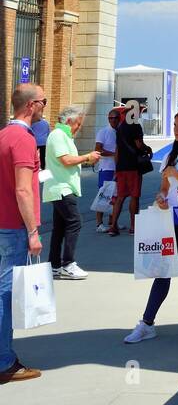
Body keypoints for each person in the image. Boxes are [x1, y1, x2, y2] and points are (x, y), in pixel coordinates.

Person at [123, 109, 178, 345]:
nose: (175, 129)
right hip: (170, 218)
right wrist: (161, 197)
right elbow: (164, 186)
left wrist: (176, 174)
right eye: (174, 124)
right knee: (162, 271)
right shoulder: (169, 156)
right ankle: (147, 323)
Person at [0, 83, 46, 384]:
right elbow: (21, 189)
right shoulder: (23, 139)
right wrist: (33, 231)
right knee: (6, 293)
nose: (45, 105)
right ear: (30, 106)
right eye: (43, 101)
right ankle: (5, 362)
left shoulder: (4, 135)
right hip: (14, 227)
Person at [45, 106, 99, 280]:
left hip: (61, 187)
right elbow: (66, 160)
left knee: (60, 227)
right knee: (75, 222)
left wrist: (85, 159)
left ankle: (54, 265)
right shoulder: (58, 136)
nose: (78, 128)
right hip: (62, 188)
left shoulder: (61, 135)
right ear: (69, 121)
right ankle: (68, 263)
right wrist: (87, 157)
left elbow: (66, 160)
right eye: (78, 124)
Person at [108, 111, 146, 237]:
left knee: (120, 197)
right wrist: (147, 149)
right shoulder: (136, 126)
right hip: (133, 166)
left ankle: (113, 226)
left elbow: (117, 149)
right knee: (134, 196)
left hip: (121, 167)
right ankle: (133, 227)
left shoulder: (121, 127)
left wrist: (116, 167)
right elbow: (139, 145)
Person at [93, 107, 120, 231]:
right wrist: (113, 154)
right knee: (103, 196)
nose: (113, 120)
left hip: (118, 169)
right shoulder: (103, 132)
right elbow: (98, 149)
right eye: (110, 118)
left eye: (115, 118)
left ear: (119, 119)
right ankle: (99, 224)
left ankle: (112, 222)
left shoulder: (120, 132)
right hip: (106, 169)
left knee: (115, 197)